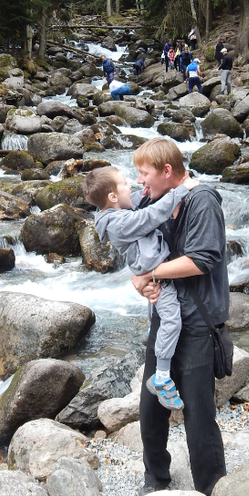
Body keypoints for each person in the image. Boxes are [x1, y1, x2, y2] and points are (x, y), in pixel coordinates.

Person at [131, 137, 229, 496]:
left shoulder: (202, 203)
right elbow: (134, 252)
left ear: (167, 171)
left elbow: (201, 259)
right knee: (150, 406)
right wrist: (139, 280)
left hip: (199, 323)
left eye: (144, 174)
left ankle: (212, 491)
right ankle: (155, 479)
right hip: (164, 318)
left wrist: (153, 274)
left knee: (199, 416)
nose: (140, 182)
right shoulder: (152, 200)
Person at [83, 166, 200, 412]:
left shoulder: (117, 209)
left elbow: (141, 199)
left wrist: (154, 186)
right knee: (172, 321)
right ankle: (162, 375)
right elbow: (149, 216)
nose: (132, 187)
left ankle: (151, 333)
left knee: (155, 311)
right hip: (159, 276)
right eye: (125, 184)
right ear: (113, 197)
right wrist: (180, 190)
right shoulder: (119, 223)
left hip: (151, 270)